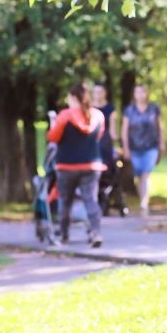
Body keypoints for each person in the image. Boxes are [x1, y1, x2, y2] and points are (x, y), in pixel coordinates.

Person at [46, 83, 106, 247]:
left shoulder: (64, 116)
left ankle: (64, 234)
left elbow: (53, 137)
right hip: (91, 165)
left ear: (73, 98)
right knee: (91, 200)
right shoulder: (98, 116)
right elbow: (98, 136)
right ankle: (96, 232)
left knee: (65, 201)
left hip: (66, 166)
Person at [122, 84, 165, 217]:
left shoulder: (154, 109)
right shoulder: (129, 110)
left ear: (147, 94)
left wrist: (161, 143)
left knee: (145, 174)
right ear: (134, 95)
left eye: (142, 92)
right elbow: (124, 130)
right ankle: (142, 197)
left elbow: (160, 127)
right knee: (138, 174)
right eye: (137, 92)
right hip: (134, 147)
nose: (140, 95)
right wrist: (126, 148)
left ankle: (144, 202)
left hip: (150, 146)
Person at [93, 83, 118, 167]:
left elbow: (112, 131)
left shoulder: (110, 109)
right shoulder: (89, 108)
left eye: (100, 92)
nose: (98, 95)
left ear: (105, 93)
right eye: (96, 92)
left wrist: (117, 145)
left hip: (105, 142)